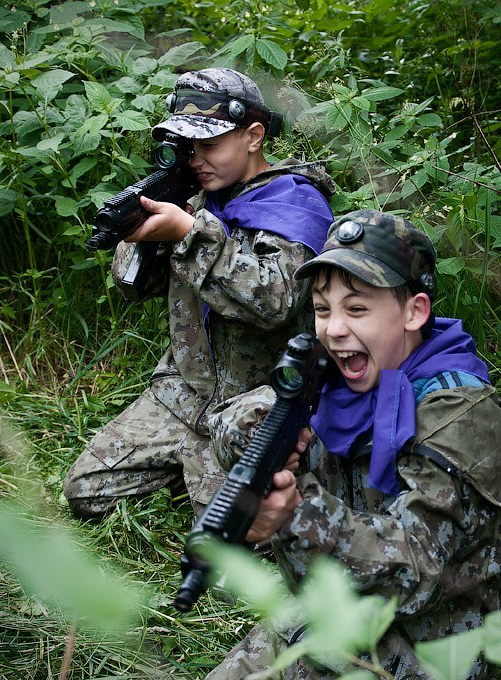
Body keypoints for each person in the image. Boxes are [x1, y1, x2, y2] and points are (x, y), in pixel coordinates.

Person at [204, 209, 501, 679]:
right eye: (323, 309)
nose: (334, 328)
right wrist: (252, 432)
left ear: (414, 312)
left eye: (357, 308)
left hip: (443, 643)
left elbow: (416, 568)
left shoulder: (460, 419)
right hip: (345, 603)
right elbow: (237, 419)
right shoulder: (338, 384)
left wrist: (296, 515)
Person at [64, 68, 336, 519]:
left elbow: (275, 301)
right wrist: (144, 237)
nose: (196, 159)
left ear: (253, 136)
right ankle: (191, 466)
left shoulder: (294, 203)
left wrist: (190, 234)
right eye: (188, 147)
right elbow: (137, 288)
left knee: (234, 539)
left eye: (209, 146)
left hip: (252, 403)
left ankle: (238, 472)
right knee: (85, 492)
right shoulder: (197, 200)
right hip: (184, 393)